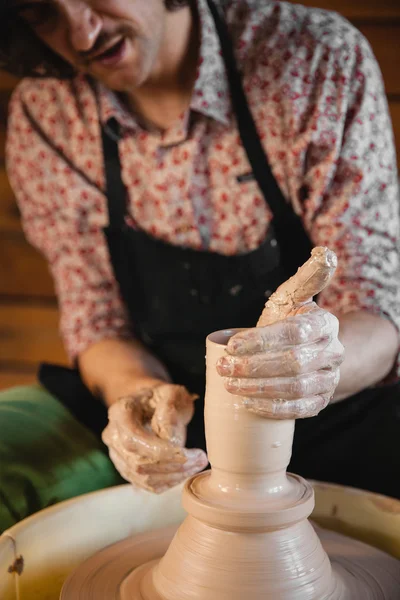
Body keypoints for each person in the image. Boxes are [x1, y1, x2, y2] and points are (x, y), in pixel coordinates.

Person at [0, 0, 399, 532]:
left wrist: (311, 369)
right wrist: (137, 396)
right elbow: (97, 319)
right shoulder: (48, 110)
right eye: (41, 12)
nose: (82, 31)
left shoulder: (310, 57)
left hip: (329, 393)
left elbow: (375, 307)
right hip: (165, 403)